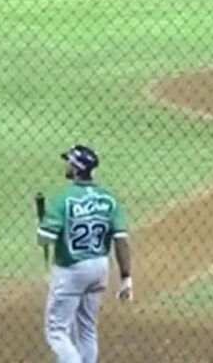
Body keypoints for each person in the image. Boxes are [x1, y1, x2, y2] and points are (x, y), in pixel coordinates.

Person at [38, 145, 133, 363]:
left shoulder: (64, 199)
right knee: (87, 329)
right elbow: (120, 239)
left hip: (71, 270)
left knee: (57, 331)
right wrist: (126, 277)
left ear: (76, 168)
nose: (66, 165)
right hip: (100, 267)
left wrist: (40, 224)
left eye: (69, 162)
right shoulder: (108, 199)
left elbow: (45, 238)